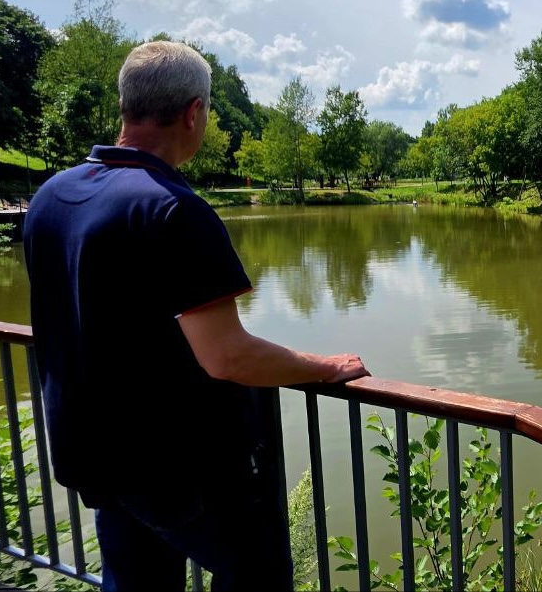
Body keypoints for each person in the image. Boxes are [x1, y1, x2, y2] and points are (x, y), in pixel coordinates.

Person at [23, 40, 369, 591]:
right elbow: (228, 356)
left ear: (127, 103)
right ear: (194, 112)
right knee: (258, 577)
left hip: (93, 455)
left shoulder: (52, 197)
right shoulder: (173, 209)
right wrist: (325, 367)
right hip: (176, 471)